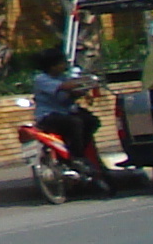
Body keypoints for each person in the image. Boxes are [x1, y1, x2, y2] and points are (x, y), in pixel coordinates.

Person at [28, 47, 114, 180]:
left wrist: (84, 91)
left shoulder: (63, 77)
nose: (64, 65)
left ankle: (83, 151)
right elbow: (65, 87)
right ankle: (76, 157)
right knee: (75, 123)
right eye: (61, 63)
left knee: (91, 121)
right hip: (49, 116)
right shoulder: (42, 79)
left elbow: (73, 91)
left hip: (66, 112)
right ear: (52, 66)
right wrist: (85, 81)